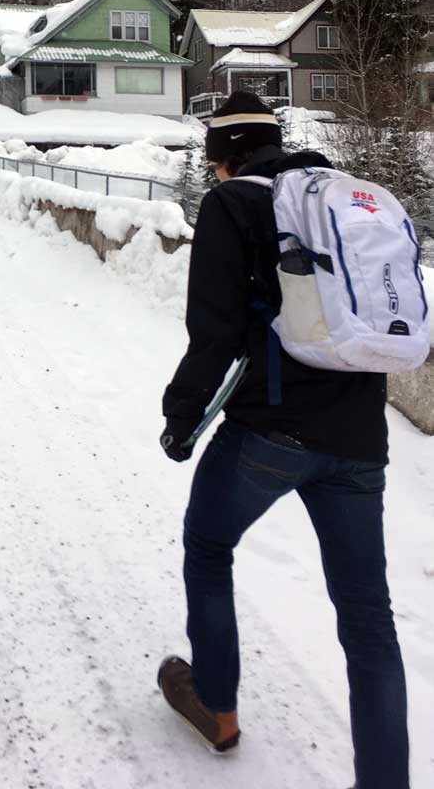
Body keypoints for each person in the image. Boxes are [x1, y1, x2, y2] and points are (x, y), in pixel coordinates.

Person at [157, 91, 409, 789]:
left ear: (223, 157)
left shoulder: (233, 204)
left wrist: (181, 417)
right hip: (360, 435)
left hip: (271, 430)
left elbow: (214, 331)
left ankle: (216, 704)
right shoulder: (340, 199)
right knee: (368, 619)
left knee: (209, 545)